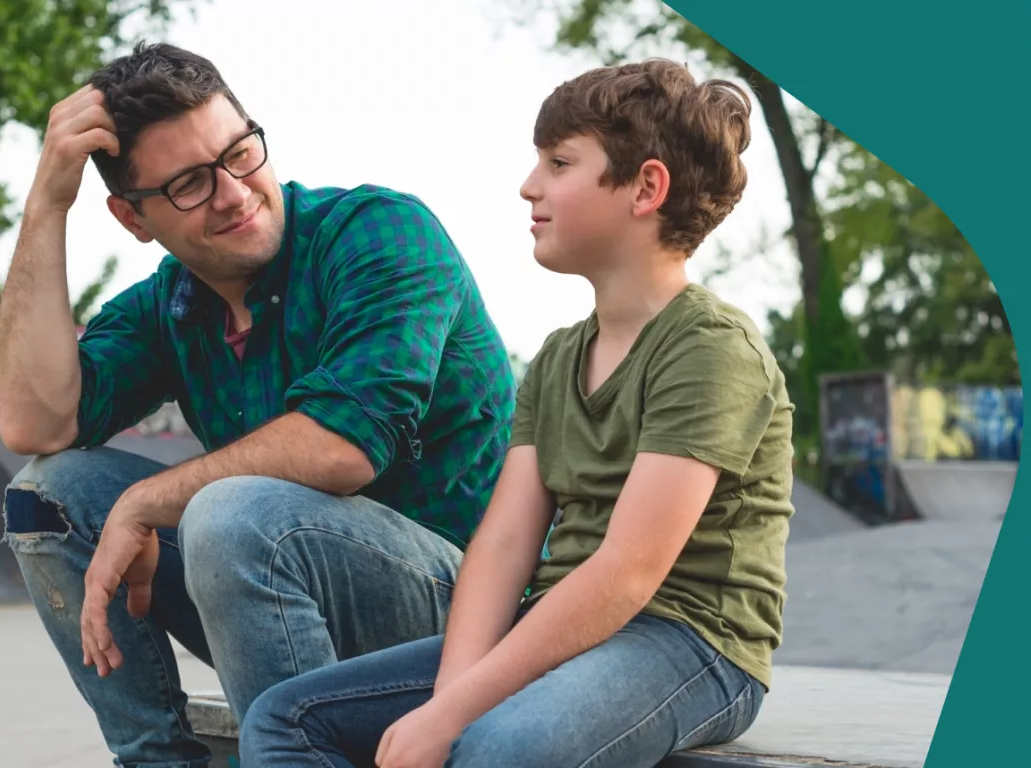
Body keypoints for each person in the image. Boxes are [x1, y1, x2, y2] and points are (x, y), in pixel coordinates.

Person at [239, 58, 795, 768]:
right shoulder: (560, 356)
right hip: (558, 620)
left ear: (646, 187)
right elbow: (503, 547)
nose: (529, 185)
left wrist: (460, 714)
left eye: (559, 162)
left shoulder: (712, 350)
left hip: (691, 640)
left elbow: (627, 571)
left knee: (500, 746)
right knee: (286, 719)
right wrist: (447, 701)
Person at [0, 42, 516, 768]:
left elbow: (343, 446)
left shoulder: (377, 233)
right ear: (132, 219)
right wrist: (47, 203)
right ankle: (157, 761)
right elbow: (33, 423)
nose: (234, 192)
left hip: (470, 612)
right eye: (189, 185)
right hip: (289, 587)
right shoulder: (170, 306)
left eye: (240, 153)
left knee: (233, 512)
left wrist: (147, 502)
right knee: (46, 495)